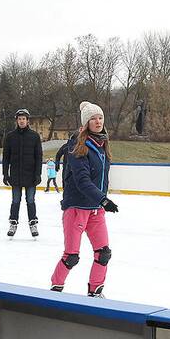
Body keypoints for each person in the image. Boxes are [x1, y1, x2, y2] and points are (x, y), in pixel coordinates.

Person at [50, 101, 117, 297]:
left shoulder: (103, 145)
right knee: (71, 256)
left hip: (96, 210)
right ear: (86, 122)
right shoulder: (77, 146)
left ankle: (95, 290)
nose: (98, 121)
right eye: (93, 118)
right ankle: (56, 289)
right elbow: (82, 180)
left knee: (103, 253)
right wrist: (104, 199)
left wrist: (101, 202)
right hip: (77, 207)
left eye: (100, 117)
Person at [2, 108, 43, 237]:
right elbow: (6, 157)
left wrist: (38, 174)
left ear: (27, 120)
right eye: (19, 119)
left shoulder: (34, 136)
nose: (21, 121)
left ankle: (33, 224)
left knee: (30, 200)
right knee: (15, 200)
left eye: (24, 119)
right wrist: (5, 174)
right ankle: (13, 223)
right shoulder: (10, 137)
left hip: (31, 175)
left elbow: (39, 157)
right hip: (15, 175)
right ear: (16, 120)